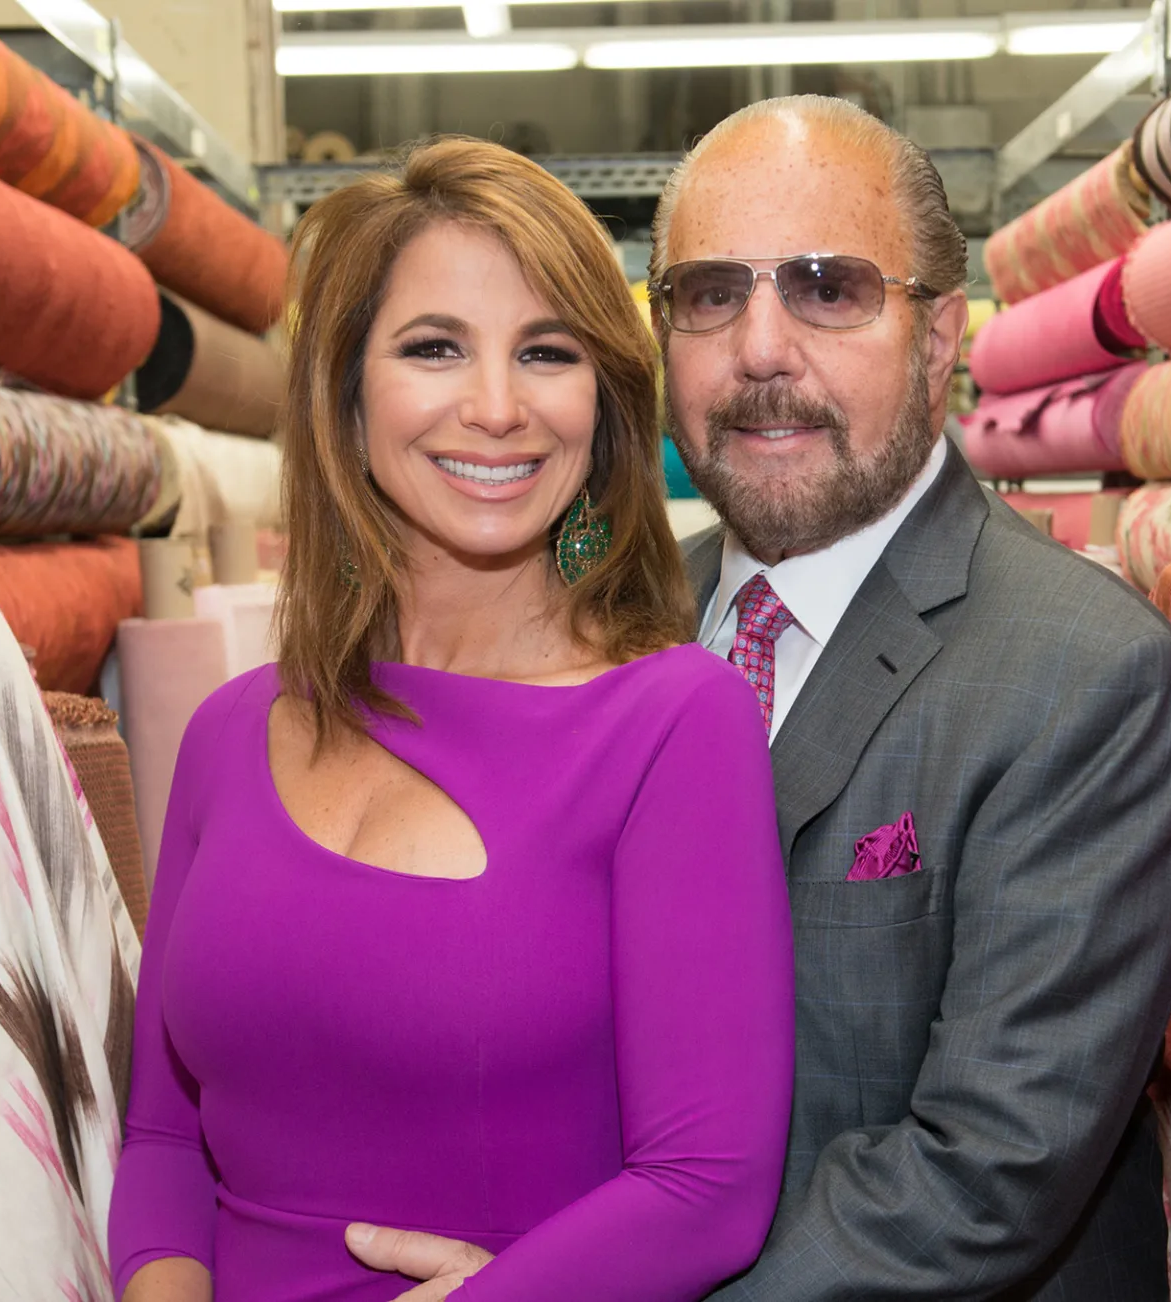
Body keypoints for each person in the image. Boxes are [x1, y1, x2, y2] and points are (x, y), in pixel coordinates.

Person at [349, 98, 1171, 1300]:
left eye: (825, 288)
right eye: (708, 294)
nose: (759, 351)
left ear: (938, 336)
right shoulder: (604, 629)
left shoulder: (1082, 677)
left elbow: (983, 1176)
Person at [107, 137, 796, 1302]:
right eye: (434, 347)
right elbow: (166, 1137)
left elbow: (707, 1187)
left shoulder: (673, 723)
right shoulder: (228, 733)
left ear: (601, 406)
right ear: (346, 395)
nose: (495, 408)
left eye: (546, 352)